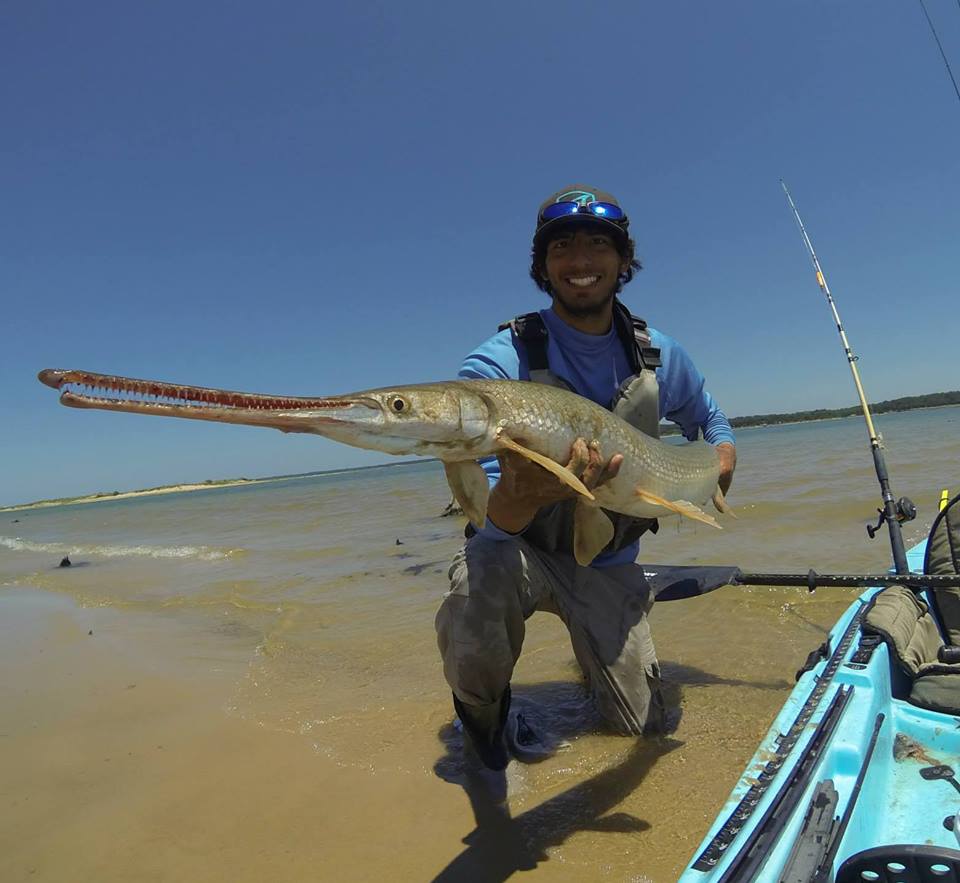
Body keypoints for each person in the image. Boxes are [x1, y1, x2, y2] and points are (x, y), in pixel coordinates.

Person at [435, 184, 737, 771]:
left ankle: (602, 641)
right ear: (542, 268)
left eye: (598, 245)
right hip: (518, 549)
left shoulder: (660, 356)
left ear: (623, 262)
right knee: (476, 594)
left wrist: (721, 461)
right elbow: (490, 528)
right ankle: (486, 724)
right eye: (562, 248)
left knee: (641, 731)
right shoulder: (496, 364)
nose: (580, 261)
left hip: (607, 560)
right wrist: (522, 494)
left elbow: (711, 422)